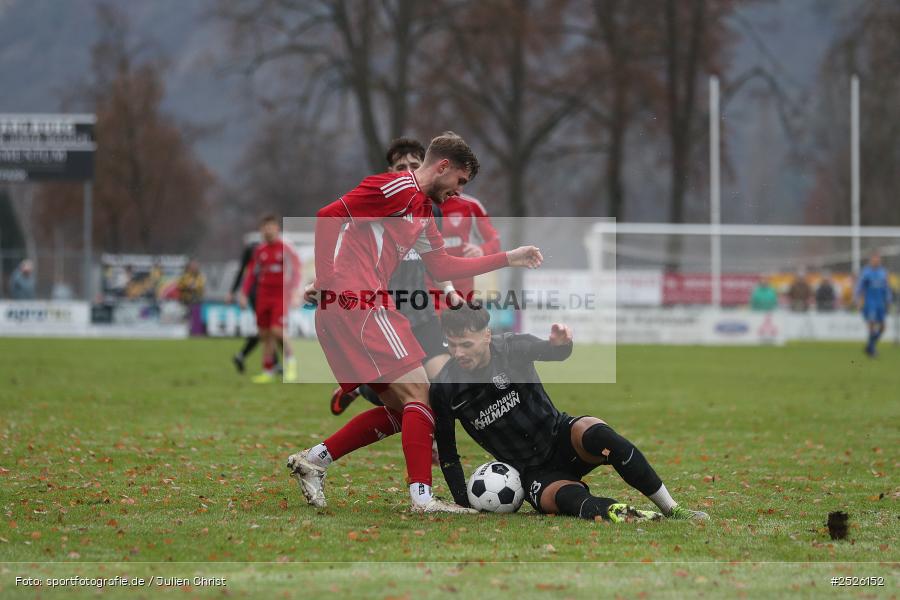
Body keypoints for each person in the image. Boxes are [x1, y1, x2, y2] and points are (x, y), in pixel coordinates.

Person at [287, 131, 543, 513]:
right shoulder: (395, 188)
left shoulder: (421, 212)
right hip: (360, 303)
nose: (457, 192)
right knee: (421, 394)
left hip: (354, 306)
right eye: (459, 181)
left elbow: (444, 266)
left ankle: (315, 461)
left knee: (402, 410)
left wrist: (508, 257)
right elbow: (329, 215)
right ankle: (422, 499)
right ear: (443, 167)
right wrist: (326, 280)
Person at [431, 304, 709, 523]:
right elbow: (448, 452)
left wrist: (561, 344)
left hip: (560, 437)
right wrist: (463, 501)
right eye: (451, 345)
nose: (458, 353)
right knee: (567, 499)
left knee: (597, 431)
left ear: (487, 336)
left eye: (466, 344)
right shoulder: (446, 387)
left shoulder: (512, 348)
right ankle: (622, 512)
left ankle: (672, 509)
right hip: (529, 472)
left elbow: (554, 353)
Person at [329, 137, 460, 417]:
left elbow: (436, 260)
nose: (408, 170)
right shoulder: (380, 203)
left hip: (421, 312)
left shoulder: (433, 210)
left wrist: (449, 289)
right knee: (404, 394)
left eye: (415, 164)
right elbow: (344, 240)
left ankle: (361, 387)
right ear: (390, 172)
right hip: (385, 314)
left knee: (444, 386)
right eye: (401, 166)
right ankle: (364, 388)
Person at [238, 215, 301, 383]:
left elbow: (296, 271)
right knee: (264, 334)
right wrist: (243, 293)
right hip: (262, 295)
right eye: (265, 228)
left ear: (277, 229)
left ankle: (292, 364)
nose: (268, 231)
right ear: (261, 230)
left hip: (280, 295)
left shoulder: (286, 249)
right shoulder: (259, 251)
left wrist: (295, 292)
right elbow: (251, 273)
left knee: (277, 330)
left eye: (271, 227)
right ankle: (268, 370)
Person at [227, 241, 280, 375]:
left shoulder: (264, 251)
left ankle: (245, 356)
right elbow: (246, 272)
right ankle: (274, 363)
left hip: (262, 294)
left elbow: (242, 271)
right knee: (268, 330)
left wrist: (235, 292)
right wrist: (238, 292)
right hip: (259, 295)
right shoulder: (256, 251)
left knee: (268, 330)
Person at [439, 193, 501, 298]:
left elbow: (495, 242)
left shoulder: (472, 205)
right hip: (430, 287)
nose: (459, 186)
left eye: (463, 181)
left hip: (465, 289)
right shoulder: (419, 205)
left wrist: (482, 250)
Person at [855, 251, 892, 357]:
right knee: (871, 324)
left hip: (880, 303)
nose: (876, 261)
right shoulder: (866, 273)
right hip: (870, 303)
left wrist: (888, 301)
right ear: (871, 260)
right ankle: (872, 350)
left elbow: (886, 288)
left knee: (883, 327)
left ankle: (870, 346)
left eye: (878, 259)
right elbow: (859, 288)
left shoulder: (883, 272)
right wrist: (858, 301)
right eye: (874, 259)